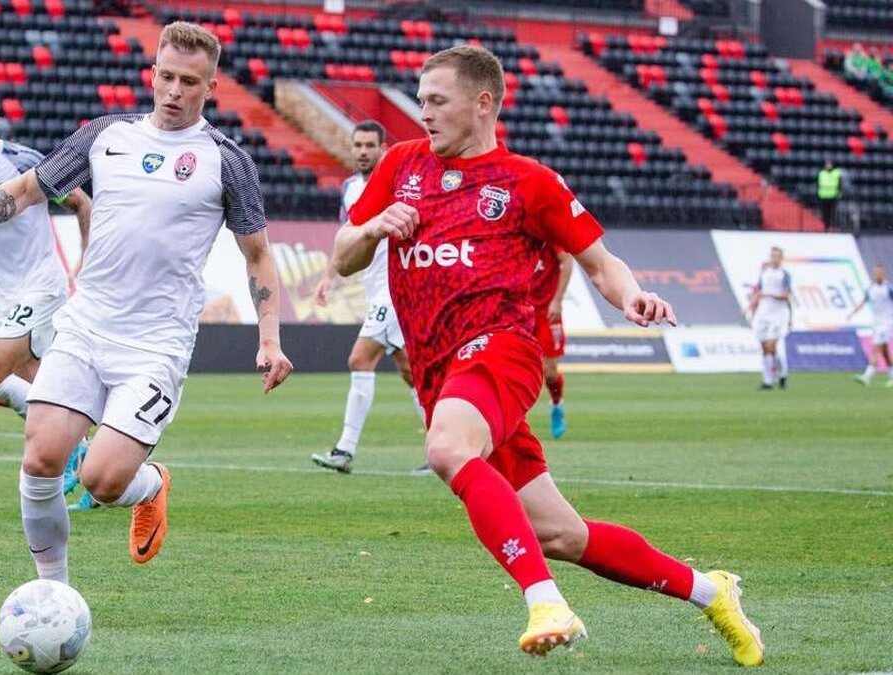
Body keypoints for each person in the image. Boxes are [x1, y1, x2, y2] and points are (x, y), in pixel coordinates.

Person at [332, 45, 763, 665]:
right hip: (441, 373)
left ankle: (546, 603)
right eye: (421, 100)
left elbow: (599, 262)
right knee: (561, 534)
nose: (423, 112)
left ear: (483, 103)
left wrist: (632, 296)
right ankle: (710, 591)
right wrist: (373, 228)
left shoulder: (528, 182)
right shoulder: (401, 165)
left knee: (447, 449)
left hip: (502, 352)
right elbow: (344, 255)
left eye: (436, 101)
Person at [0, 22, 293, 578]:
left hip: (155, 344)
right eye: (166, 76)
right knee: (41, 457)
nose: (174, 91)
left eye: (189, 82)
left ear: (211, 87)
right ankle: (53, 594)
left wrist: (270, 340)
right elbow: (27, 188)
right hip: (86, 325)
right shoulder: (107, 135)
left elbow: (257, 255)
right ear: (152, 74)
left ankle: (151, 485)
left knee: (103, 479)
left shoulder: (226, 160)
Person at [0, 86, 93, 496]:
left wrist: (86, 260)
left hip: (42, 284)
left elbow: (81, 203)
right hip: (4, 294)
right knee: (41, 383)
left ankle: (67, 446)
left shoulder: (24, 163)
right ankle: (85, 451)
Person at [310, 121, 425, 474]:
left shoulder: (398, 184)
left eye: (369, 145)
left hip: (395, 290)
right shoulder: (349, 188)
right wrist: (328, 276)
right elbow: (345, 236)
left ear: (382, 148)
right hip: (375, 289)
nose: (362, 151)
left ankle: (344, 450)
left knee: (360, 360)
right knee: (412, 371)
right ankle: (448, 446)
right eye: (357, 145)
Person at [529, 245, 573, 439]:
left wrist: (557, 300)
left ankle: (557, 405)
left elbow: (567, 260)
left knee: (549, 373)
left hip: (547, 313)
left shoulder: (549, 236)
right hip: (520, 311)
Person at [747, 246, 792, 390]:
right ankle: (768, 381)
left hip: (778, 314)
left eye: (777, 256)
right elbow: (758, 293)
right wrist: (751, 309)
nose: (774, 258)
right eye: (772, 256)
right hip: (763, 313)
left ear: (781, 258)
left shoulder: (784, 275)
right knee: (764, 347)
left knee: (772, 346)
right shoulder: (764, 273)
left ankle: (782, 373)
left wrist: (769, 294)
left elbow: (786, 296)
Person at [849, 263, 893, 387]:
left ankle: (867, 377)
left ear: (883, 274)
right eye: (876, 273)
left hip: (887, 323)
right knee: (885, 352)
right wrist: (852, 314)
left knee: (876, 349)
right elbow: (863, 302)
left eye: (880, 273)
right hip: (876, 323)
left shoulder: (888, 288)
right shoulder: (871, 289)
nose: (878, 275)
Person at [817, 159, 842, 229]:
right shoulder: (821, 173)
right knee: (825, 213)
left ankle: (833, 226)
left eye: (829, 164)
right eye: (827, 164)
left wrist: (839, 193)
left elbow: (840, 184)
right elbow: (818, 184)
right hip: (823, 196)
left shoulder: (837, 173)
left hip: (833, 195)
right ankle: (826, 227)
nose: (828, 165)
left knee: (833, 213)